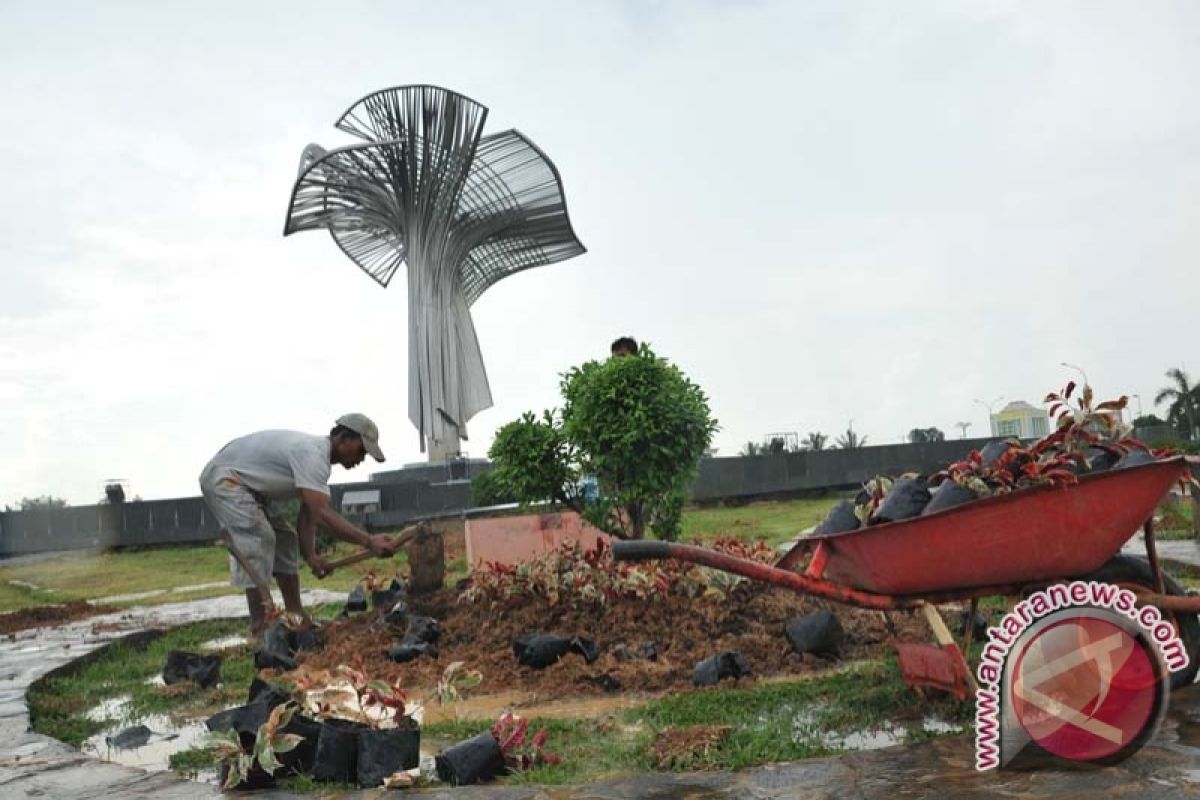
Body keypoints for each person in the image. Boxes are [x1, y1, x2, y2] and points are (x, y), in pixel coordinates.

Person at [199, 413, 397, 633]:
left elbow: (308, 514)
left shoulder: (317, 461)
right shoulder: (313, 455)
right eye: (361, 450)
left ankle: (296, 615)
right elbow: (321, 514)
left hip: (246, 485)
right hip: (225, 478)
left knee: (286, 537)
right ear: (342, 439)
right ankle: (259, 626)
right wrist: (369, 541)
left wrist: (311, 557)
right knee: (259, 537)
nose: (361, 459)